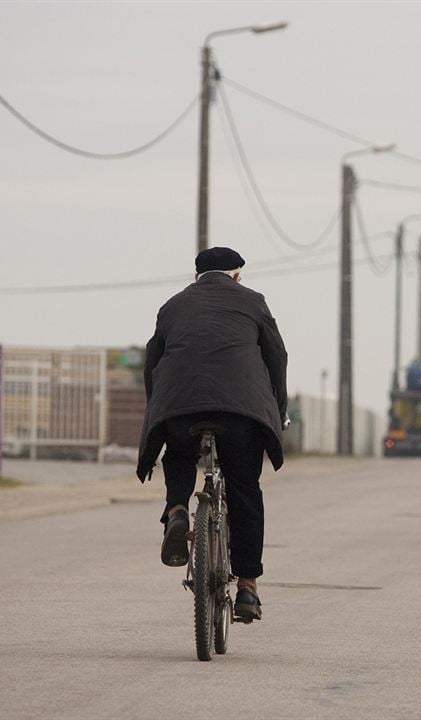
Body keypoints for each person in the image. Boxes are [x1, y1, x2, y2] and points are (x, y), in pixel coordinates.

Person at [136, 247, 288, 622]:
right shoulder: (253, 302)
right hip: (240, 410)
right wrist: (277, 412)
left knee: (179, 454)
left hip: (180, 404)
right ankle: (248, 588)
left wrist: (158, 409)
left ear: (196, 277)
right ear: (237, 275)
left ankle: (176, 511)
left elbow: (152, 360)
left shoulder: (172, 306)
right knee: (244, 489)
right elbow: (276, 357)